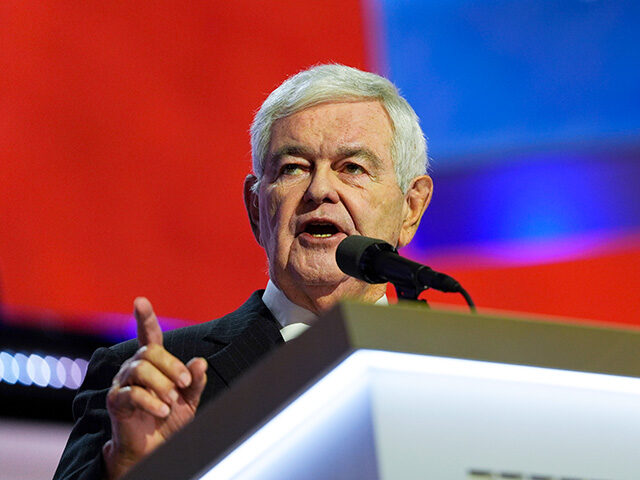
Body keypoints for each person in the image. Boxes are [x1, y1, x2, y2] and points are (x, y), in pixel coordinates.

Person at [53, 64, 433, 480]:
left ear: (411, 208)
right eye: (293, 167)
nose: (320, 190)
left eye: (352, 168)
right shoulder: (147, 384)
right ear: (256, 209)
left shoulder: (457, 376)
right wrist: (130, 467)